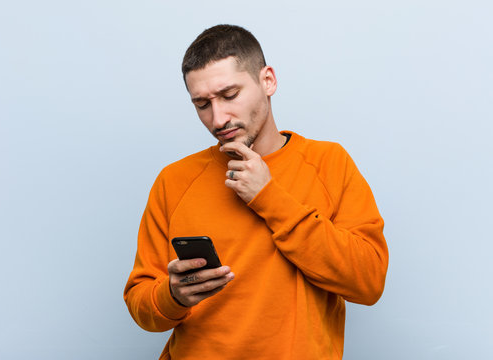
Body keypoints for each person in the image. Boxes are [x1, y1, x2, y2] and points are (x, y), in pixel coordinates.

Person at [124, 24, 388, 360]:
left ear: (268, 81)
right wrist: (172, 296)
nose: (218, 118)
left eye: (230, 95)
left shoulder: (328, 163)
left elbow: (368, 282)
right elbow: (140, 305)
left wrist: (268, 197)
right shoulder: (174, 180)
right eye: (202, 104)